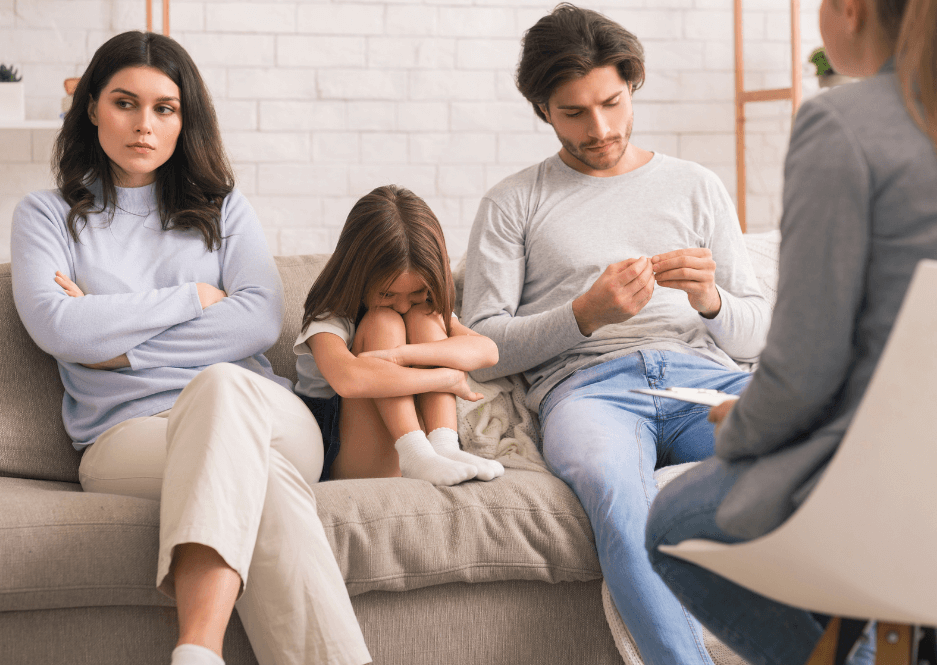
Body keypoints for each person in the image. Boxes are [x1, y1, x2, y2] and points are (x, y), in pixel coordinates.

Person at [10, 31, 371, 665]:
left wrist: (116, 348)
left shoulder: (225, 210)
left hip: (268, 416)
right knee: (266, 487)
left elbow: (258, 321)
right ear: (92, 107)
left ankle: (197, 649)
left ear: (185, 120)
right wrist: (191, 299)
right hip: (127, 438)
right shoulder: (46, 217)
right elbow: (58, 330)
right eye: (125, 103)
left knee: (224, 386)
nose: (143, 125)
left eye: (164, 108)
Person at [459, 4, 772, 664]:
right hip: (589, 391)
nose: (599, 129)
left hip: (702, 374)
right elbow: (484, 345)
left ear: (632, 87)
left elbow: (751, 337)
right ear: (544, 110)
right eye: (574, 113)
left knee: (805, 461)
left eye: (612, 103)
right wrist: (585, 314)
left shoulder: (697, 186)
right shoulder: (513, 202)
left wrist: (712, 300)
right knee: (615, 494)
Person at [646, 0, 937, 660]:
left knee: (674, 521)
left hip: (890, 478)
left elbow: (804, 368)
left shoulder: (844, 124)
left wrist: (742, 424)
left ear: (851, 10)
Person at [295, 184, 504, 485]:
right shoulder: (329, 314)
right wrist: (445, 377)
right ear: (358, 276)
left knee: (427, 317)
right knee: (383, 322)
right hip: (348, 457)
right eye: (388, 293)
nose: (404, 303)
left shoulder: (422, 306)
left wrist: (401, 354)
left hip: (422, 454)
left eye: (417, 291)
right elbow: (348, 380)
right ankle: (415, 452)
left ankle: (444, 447)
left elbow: (487, 351)